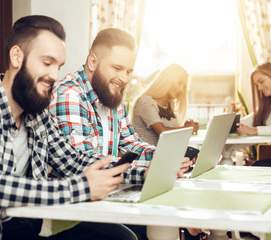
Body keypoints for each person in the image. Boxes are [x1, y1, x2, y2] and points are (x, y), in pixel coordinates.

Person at [0, 15, 147, 240]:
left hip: (31, 224)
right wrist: (82, 187)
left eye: (58, 66)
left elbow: (73, 160)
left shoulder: (36, 114)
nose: (55, 75)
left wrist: (143, 173)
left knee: (122, 238)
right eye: (47, 63)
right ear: (16, 57)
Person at [48, 28, 202, 240]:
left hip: (106, 198)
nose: (123, 78)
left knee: (168, 210)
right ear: (93, 62)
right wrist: (149, 169)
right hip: (72, 206)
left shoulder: (111, 96)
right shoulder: (70, 95)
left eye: (129, 71)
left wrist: (165, 158)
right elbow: (85, 163)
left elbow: (132, 143)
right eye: (117, 68)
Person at [131, 63, 199, 146]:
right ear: (167, 80)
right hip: (147, 156)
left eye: (184, 86)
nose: (181, 89)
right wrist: (187, 128)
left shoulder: (169, 105)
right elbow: (163, 132)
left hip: (165, 155)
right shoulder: (145, 101)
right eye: (180, 83)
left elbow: (173, 134)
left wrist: (186, 126)